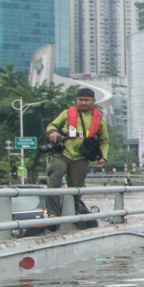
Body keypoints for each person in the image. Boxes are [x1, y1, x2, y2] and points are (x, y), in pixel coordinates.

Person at [44, 87, 110, 225]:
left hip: (80, 158)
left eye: (87, 100)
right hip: (63, 153)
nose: (83, 103)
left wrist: (103, 157)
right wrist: (52, 133)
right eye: (81, 100)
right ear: (77, 100)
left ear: (93, 101)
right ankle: (52, 214)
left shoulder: (99, 120)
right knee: (55, 178)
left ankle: (73, 214)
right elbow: (52, 125)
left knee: (76, 187)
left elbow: (104, 140)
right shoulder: (68, 113)